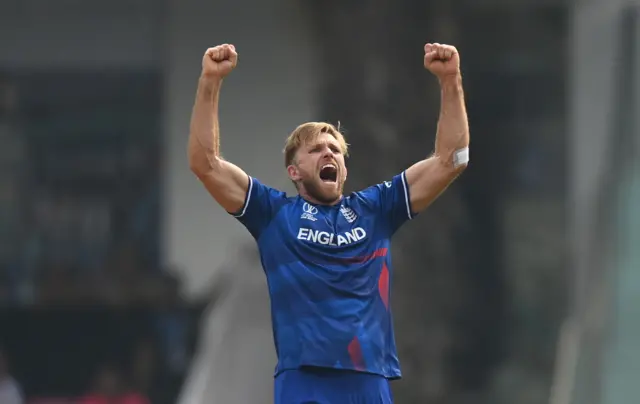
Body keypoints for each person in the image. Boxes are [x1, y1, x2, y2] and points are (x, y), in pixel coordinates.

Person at [188, 42, 470, 404]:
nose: (328, 153)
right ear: (294, 171)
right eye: (316, 149)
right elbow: (204, 163)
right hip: (305, 379)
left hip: (368, 377)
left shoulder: (375, 209)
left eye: (335, 149)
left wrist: (450, 81)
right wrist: (210, 81)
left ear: (344, 168)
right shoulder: (273, 213)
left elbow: (452, 160)